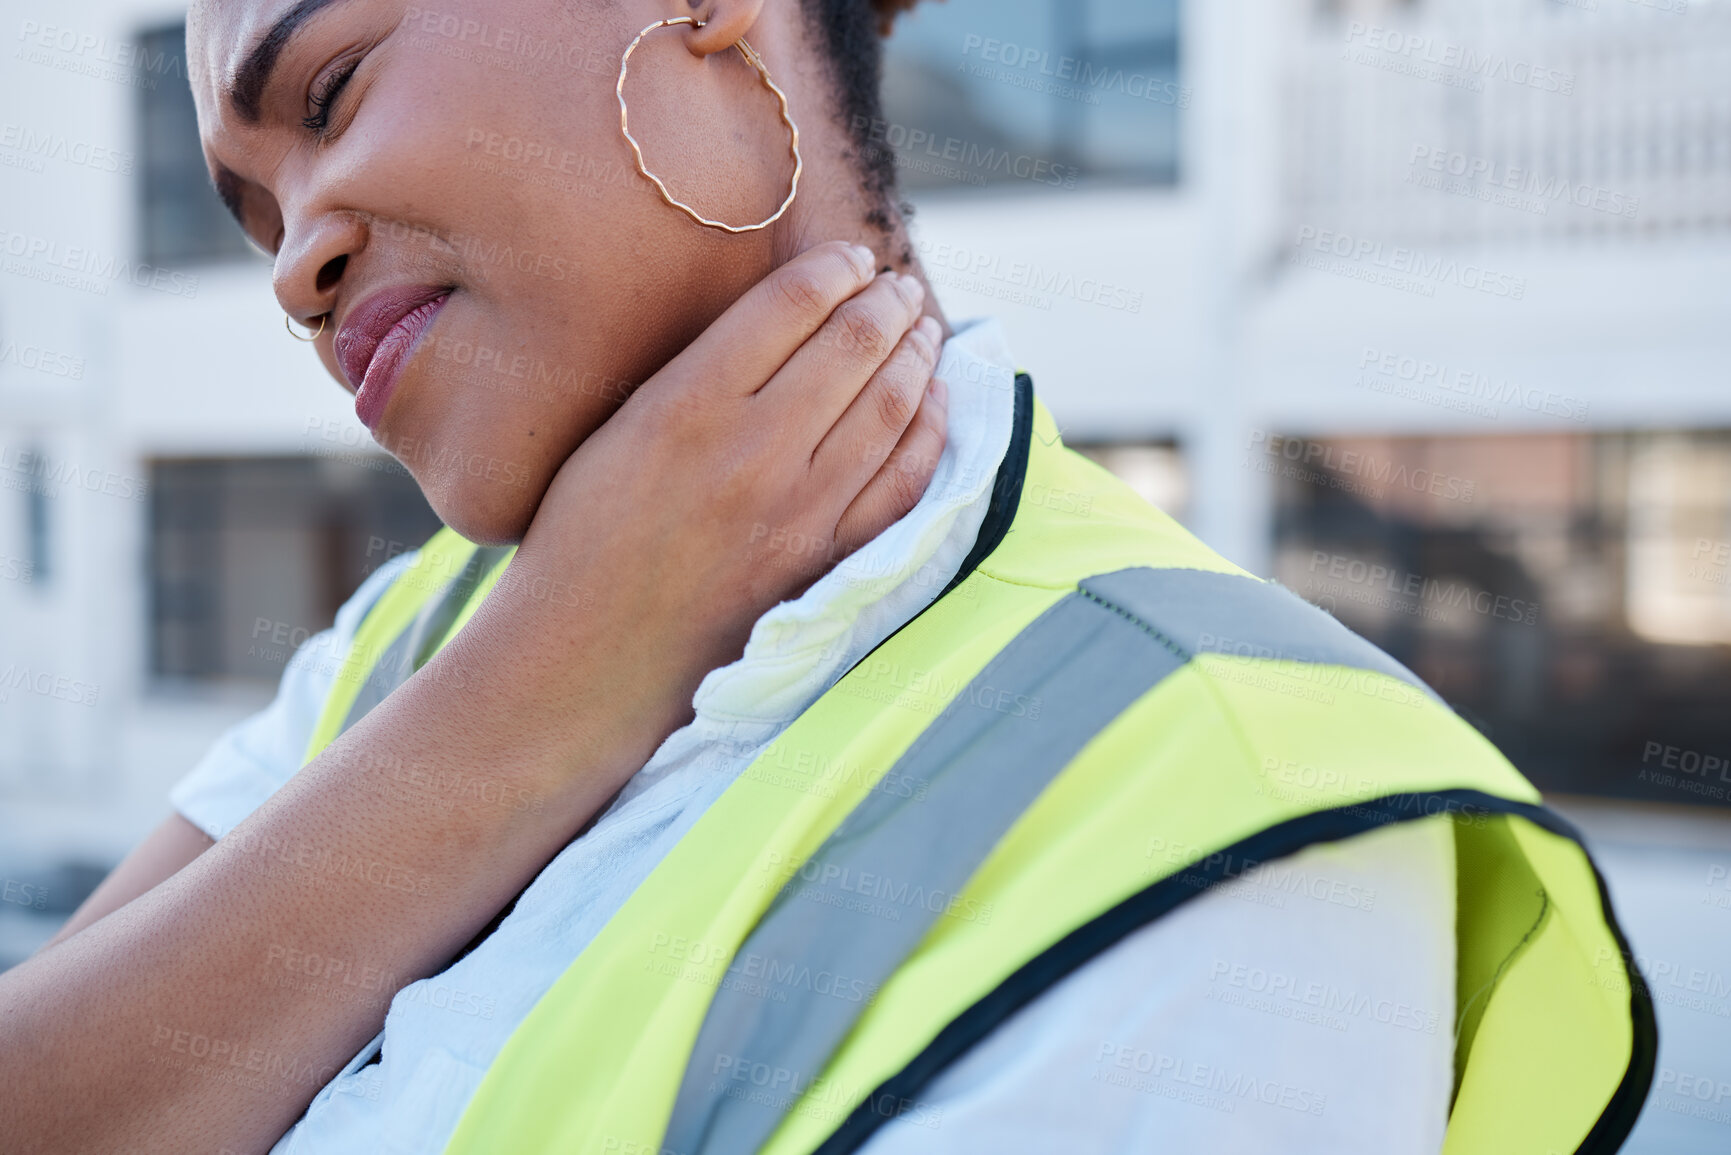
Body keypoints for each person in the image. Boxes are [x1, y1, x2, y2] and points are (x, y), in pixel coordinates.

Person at [0, 0, 1654, 1152]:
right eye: (248, 214)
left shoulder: (1240, 807)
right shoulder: (404, 640)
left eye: (335, 90)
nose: (295, 266)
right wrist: (549, 687)